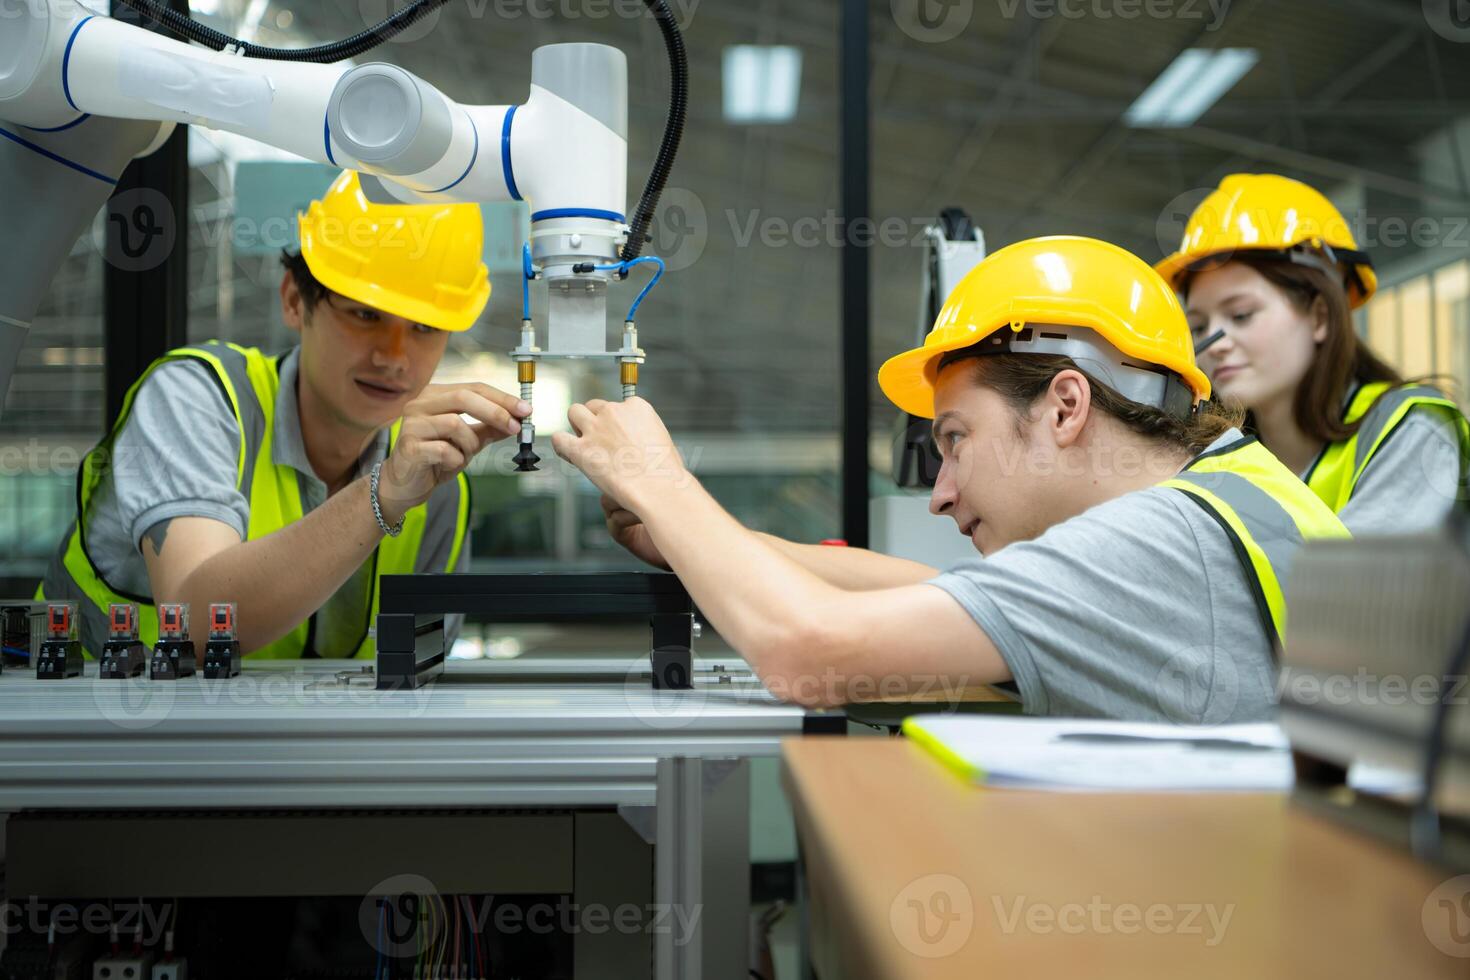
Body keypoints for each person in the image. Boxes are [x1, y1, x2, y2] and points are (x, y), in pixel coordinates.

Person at [550, 236, 1349, 721]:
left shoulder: (1156, 543)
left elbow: (809, 652)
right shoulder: (1227, 494)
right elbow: (932, 589)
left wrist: (660, 479)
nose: (938, 493)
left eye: (956, 440)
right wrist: (699, 542)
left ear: (1065, 406)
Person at [41, 171, 529, 658]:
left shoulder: (437, 486)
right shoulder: (196, 398)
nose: (394, 356)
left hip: (310, 736)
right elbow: (194, 626)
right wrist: (383, 494)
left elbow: (413, 686)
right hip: (87, 727)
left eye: (425, 326)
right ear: (296, 301)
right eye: (365, 315)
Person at [1156, 173, 1470, 534]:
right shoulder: (1218, 462)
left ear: (1320, 316)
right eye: (1198, 326)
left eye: (1240, 315)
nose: (1216, 340)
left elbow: (1351, 587)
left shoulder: (1411, 429)